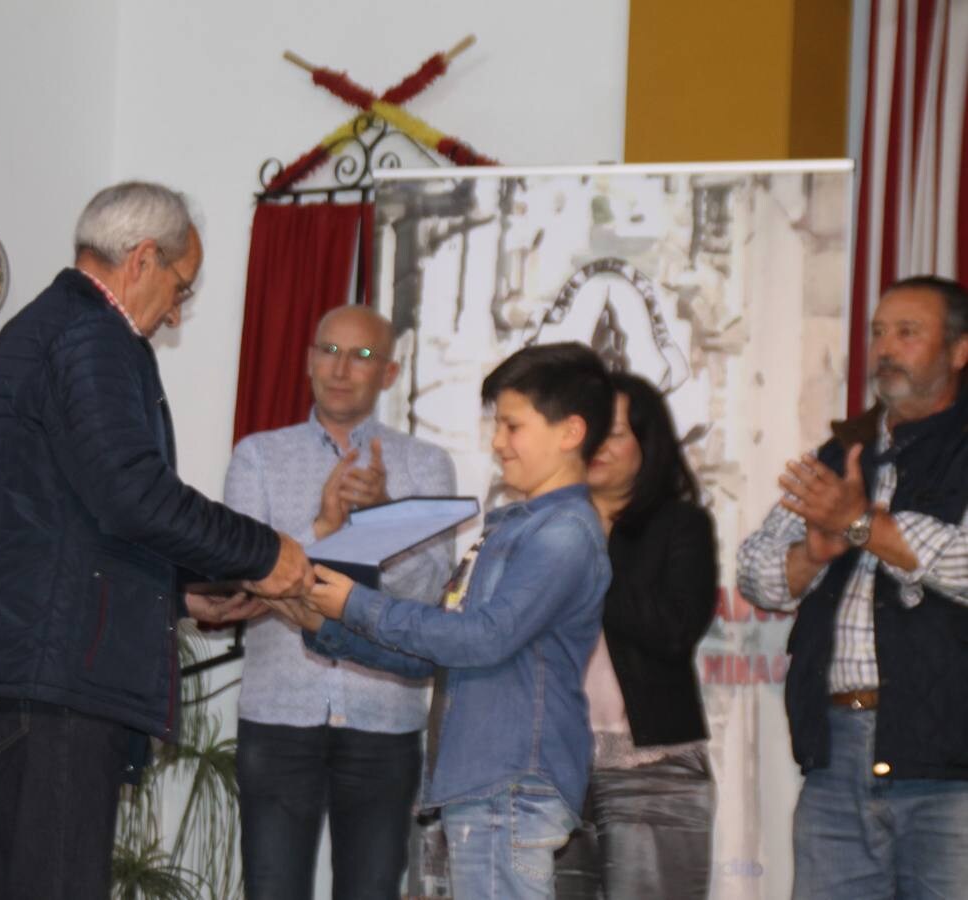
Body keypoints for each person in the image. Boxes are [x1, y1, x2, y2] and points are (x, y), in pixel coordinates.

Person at [0, 181, 314, 900]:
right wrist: (264, 553)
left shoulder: (41, 330)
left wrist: (183, 591)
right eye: (180, 287)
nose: (175, 313)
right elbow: (131, 492)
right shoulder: (92, 335)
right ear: (141, 259)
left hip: (6, 679)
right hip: (49, 691)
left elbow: (58, 517)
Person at [278, 341, 613, 900]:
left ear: (570, 432)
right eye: (496, 426)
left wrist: (357, 604)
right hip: (486, 784)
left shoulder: (563, 533)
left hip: (509, 785)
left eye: (512, 426)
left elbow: (482, 639)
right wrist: (326, 622)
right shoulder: (515, 528)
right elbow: (438, 651)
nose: (498, 443)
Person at [737, 275, 968, 898]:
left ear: (959, 350)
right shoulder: (843, 453)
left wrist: (863, 524)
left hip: (952, 769)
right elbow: (756, 572)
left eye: (907, 332)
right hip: (835, 754)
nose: (886, 347)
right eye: (878, 332)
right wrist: (813, 552)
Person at [223, 304, 456, 900]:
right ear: (307, 361)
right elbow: (245, 576)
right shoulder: (259, 456)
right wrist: (324, 528)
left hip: (385, 718)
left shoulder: (425, 464)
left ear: (390, 373)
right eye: (328, 351)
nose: (341, 368)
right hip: (279, 716)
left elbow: (430, 600)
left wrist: (382, 516)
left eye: (363, 355)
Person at [553, 372, 717, 899]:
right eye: (589, 430)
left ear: (649, 443)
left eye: (616, 432)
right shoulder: (542, 526)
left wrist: (591, 565)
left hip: (653, 766)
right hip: (552, 766)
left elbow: (674, 629)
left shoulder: (679, 525)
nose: (598, 445)